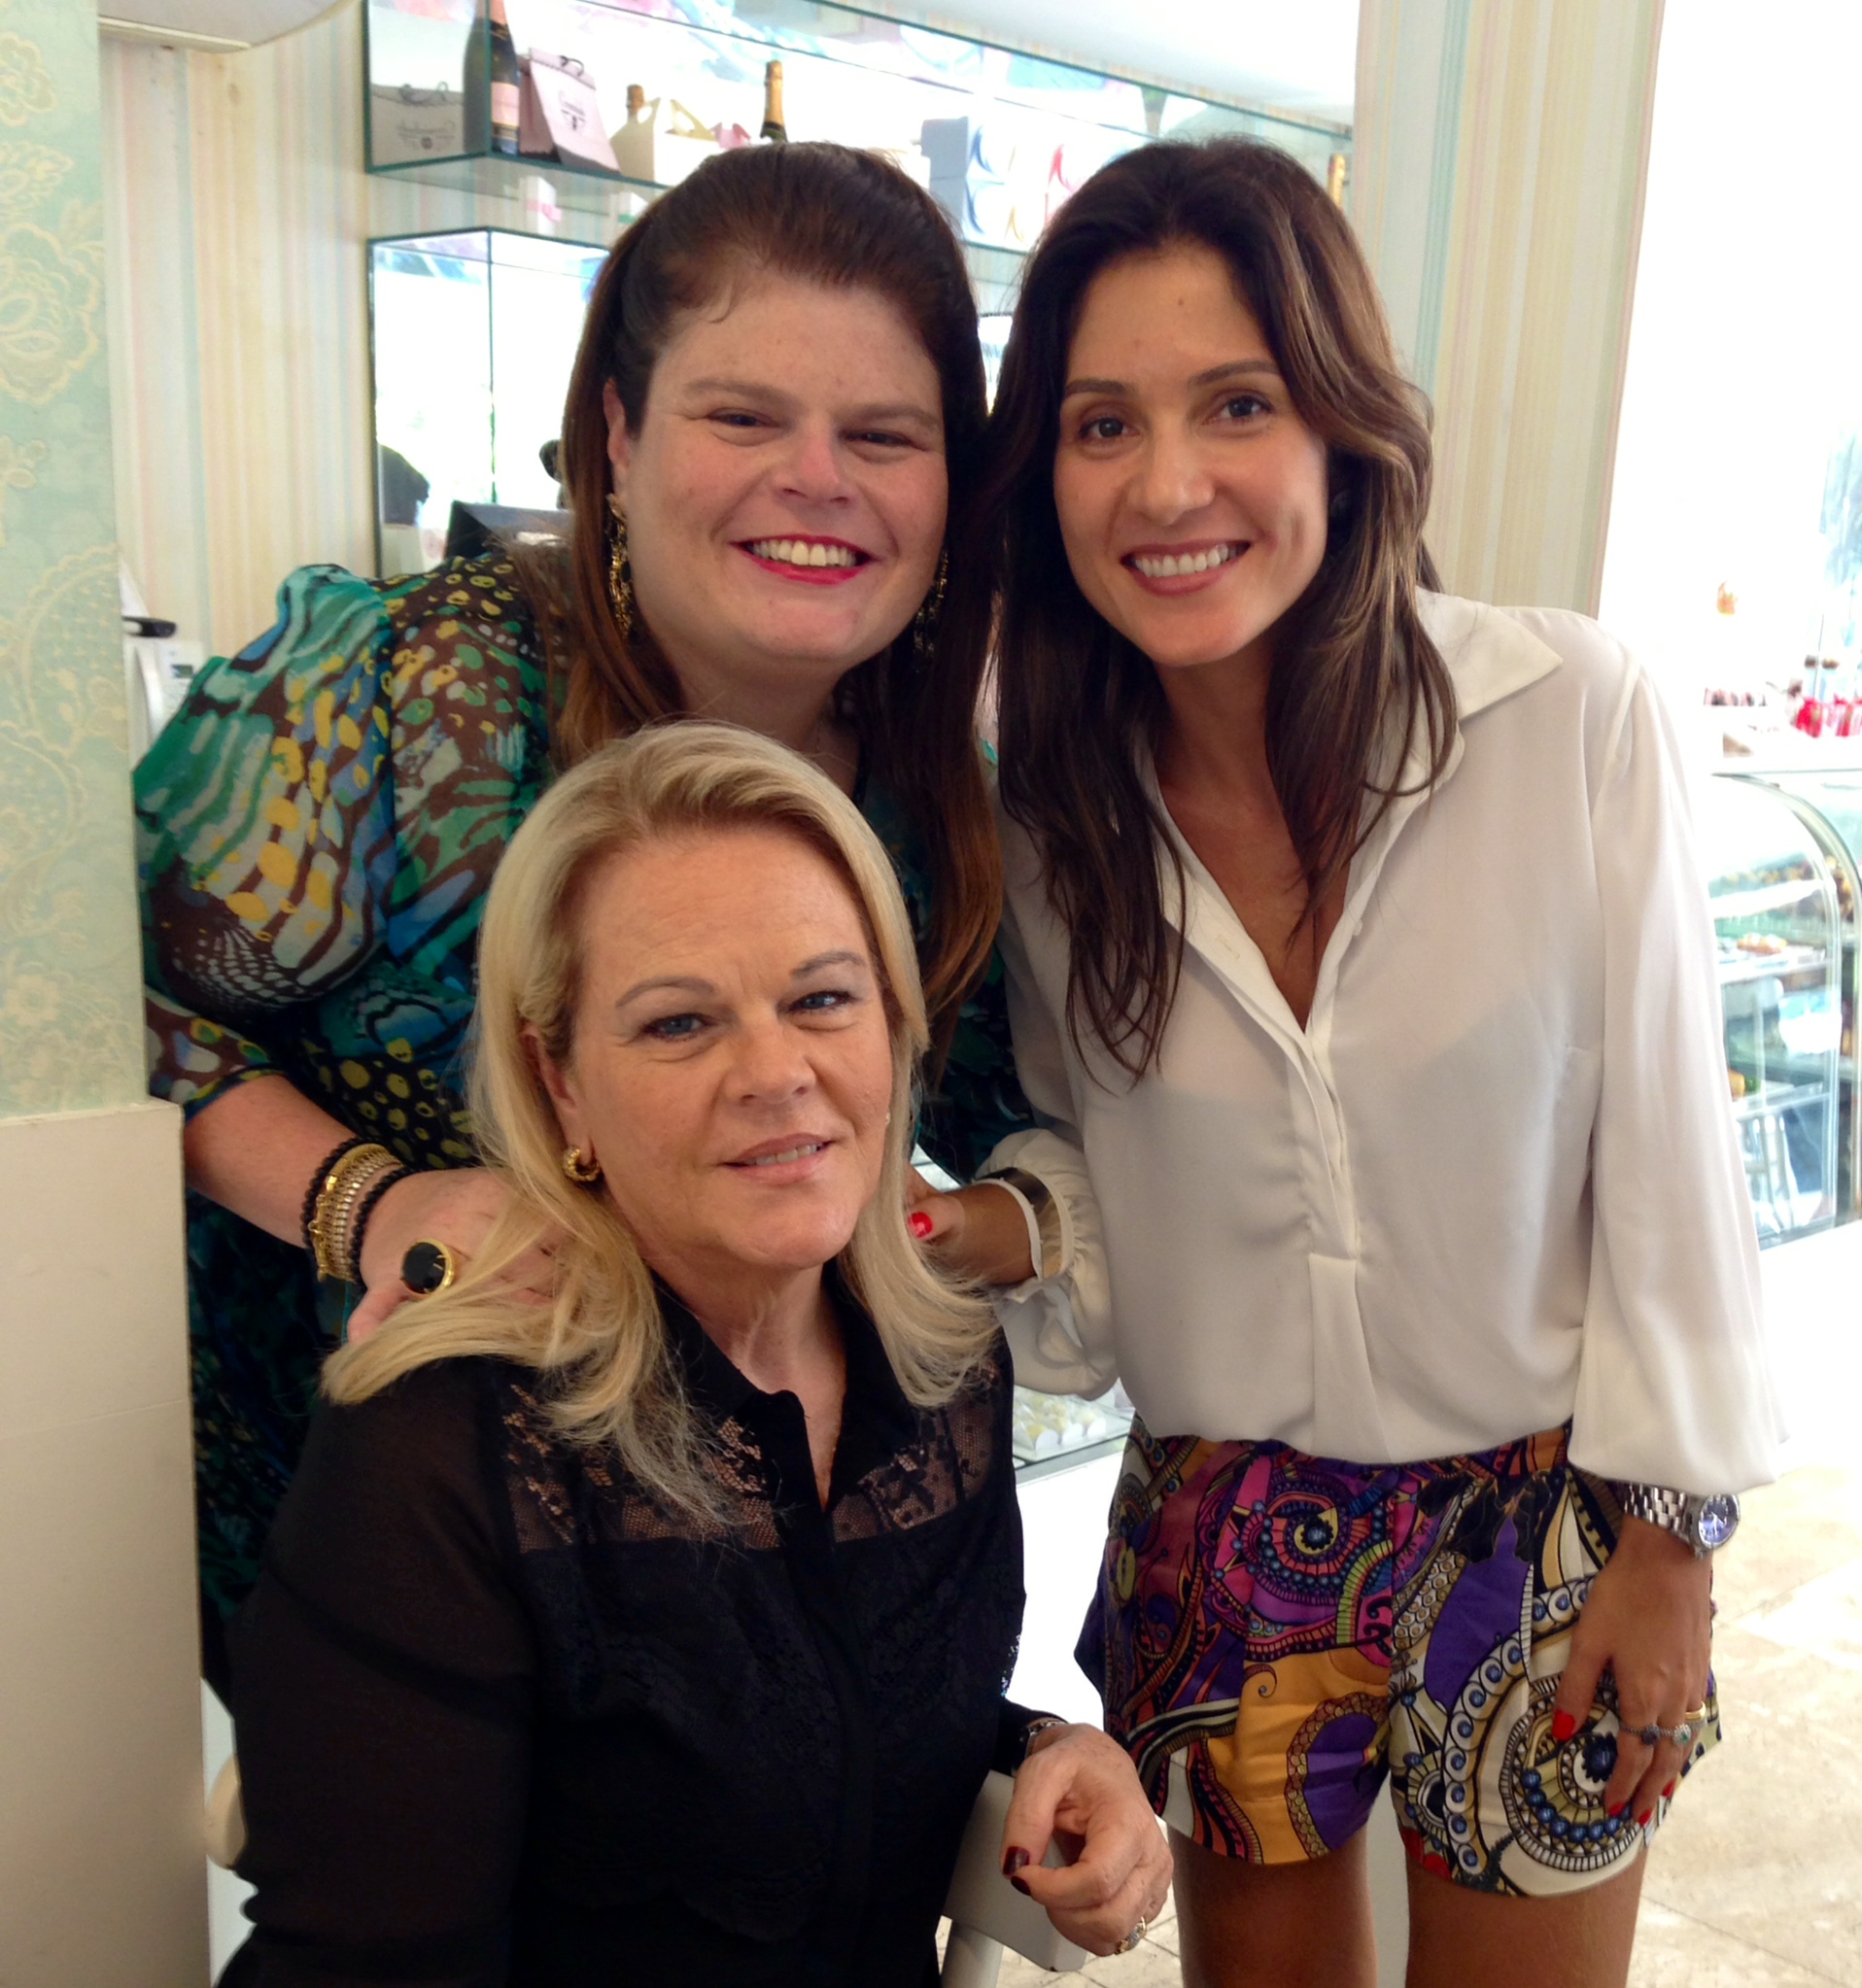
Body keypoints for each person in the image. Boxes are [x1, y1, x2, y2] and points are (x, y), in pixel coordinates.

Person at [955, 139, 1781, 1987]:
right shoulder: (1053, 822)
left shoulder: (1565, 718)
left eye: (1235, 403)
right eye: (1101, 424)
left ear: (1341, 426)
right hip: (1221, 1525)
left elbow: (1672, 1154)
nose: (1168, 483)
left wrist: (1673, 1532)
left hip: (1547, 1513)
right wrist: (998, 1229)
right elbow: (1088, 1178)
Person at [134, 143, 1032, 1693]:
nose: (816, 477)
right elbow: (85, 1010)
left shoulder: (942, 804)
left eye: (884, 434)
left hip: (721, 1585)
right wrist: (367, 1202)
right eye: (743, 416)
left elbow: (1042, 1127)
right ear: (617, 434)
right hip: (363, 1546)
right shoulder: (407, 698)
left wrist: (973, 1225)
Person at [220, 725, 1171, 1987]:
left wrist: (1052, 1746)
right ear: (560, 1083)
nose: (776, 1072)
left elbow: (819, 1722)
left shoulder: (944, 1371)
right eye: (679, 1022)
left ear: (894, 1029)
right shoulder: (441, 1450)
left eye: (823, 999)